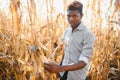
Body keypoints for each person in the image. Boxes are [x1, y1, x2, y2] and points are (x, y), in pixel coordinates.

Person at [44, 1, 95, 80]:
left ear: (81, 16)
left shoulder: (88, 34)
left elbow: (83, 62)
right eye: (68, 16)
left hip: (77, 77)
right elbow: (65, 53)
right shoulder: (67, 32)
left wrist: (60, 68)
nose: (71, 19)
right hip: (64, 74)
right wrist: (58, 71)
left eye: (75, 16)